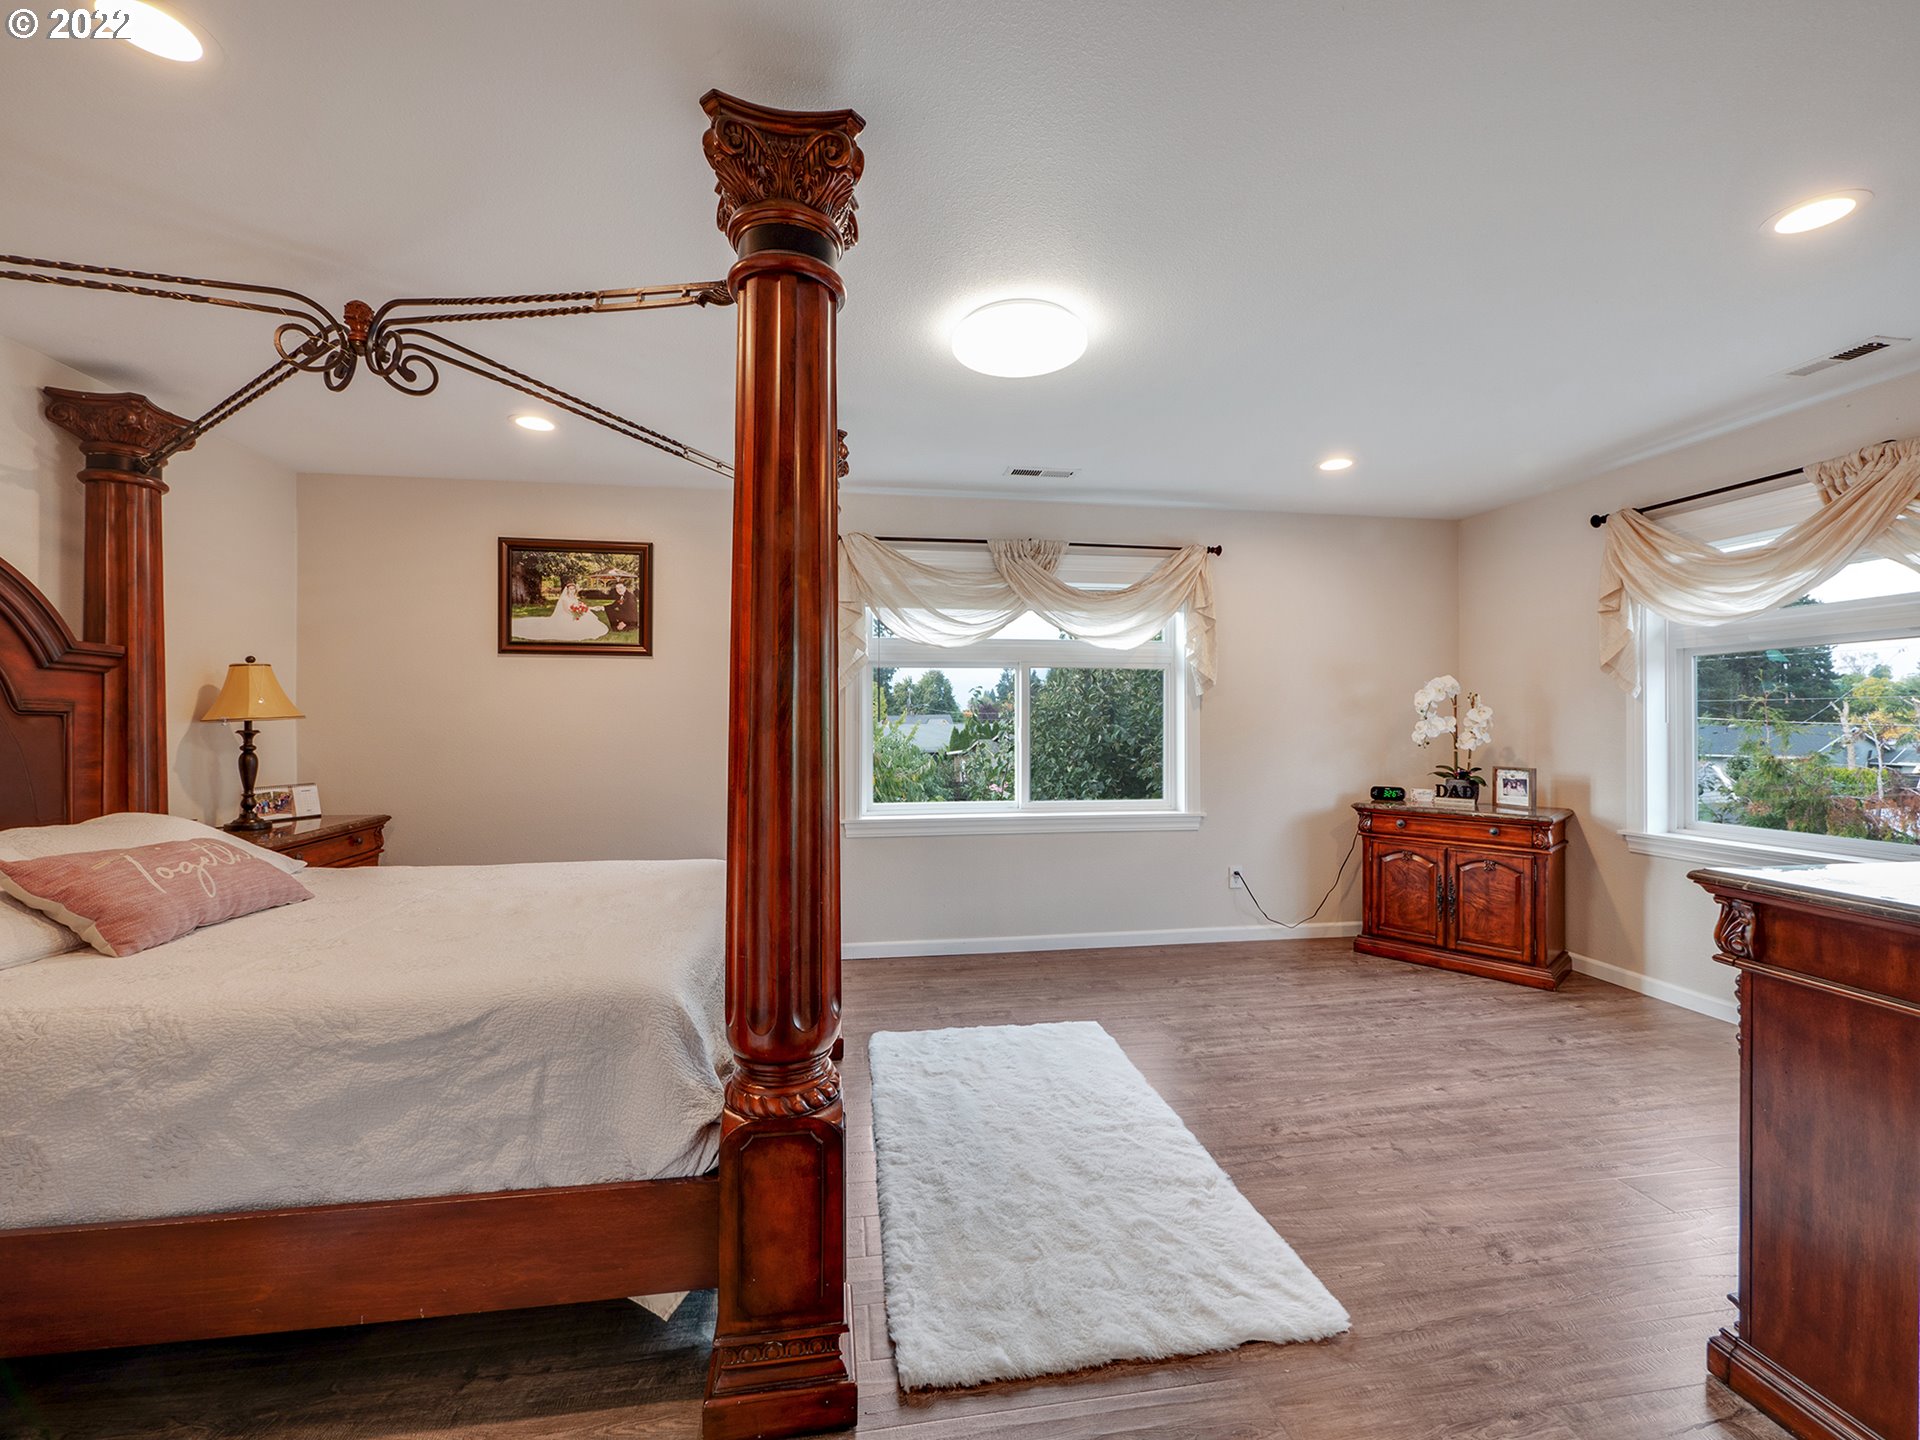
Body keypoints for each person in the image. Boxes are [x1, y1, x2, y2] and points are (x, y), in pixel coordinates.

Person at [510, 580, 609, 641]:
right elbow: (566, 610)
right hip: (568, 614)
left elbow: (580, 605)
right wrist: (576, 613)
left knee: (587, 616)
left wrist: (589, 608)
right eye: (570, 589)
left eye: (573, 589)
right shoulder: (564, 599)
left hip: (575, 612)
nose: (572, 591)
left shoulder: (575, 598)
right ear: (567, 590)